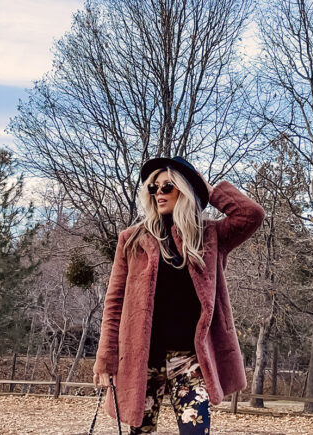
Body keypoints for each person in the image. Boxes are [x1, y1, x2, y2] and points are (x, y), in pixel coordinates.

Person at [93, 156, 265, 434]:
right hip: (142, 360)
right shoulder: (132, 239)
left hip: (190, 361)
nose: (158, 193)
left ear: (184, 190)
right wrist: (105, 358)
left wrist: (204, 188)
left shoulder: (210, 236)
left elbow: (251, 215)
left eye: (168, 186)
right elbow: (114, 304)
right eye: (153, 188)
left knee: (196, 430)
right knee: (141, 431)